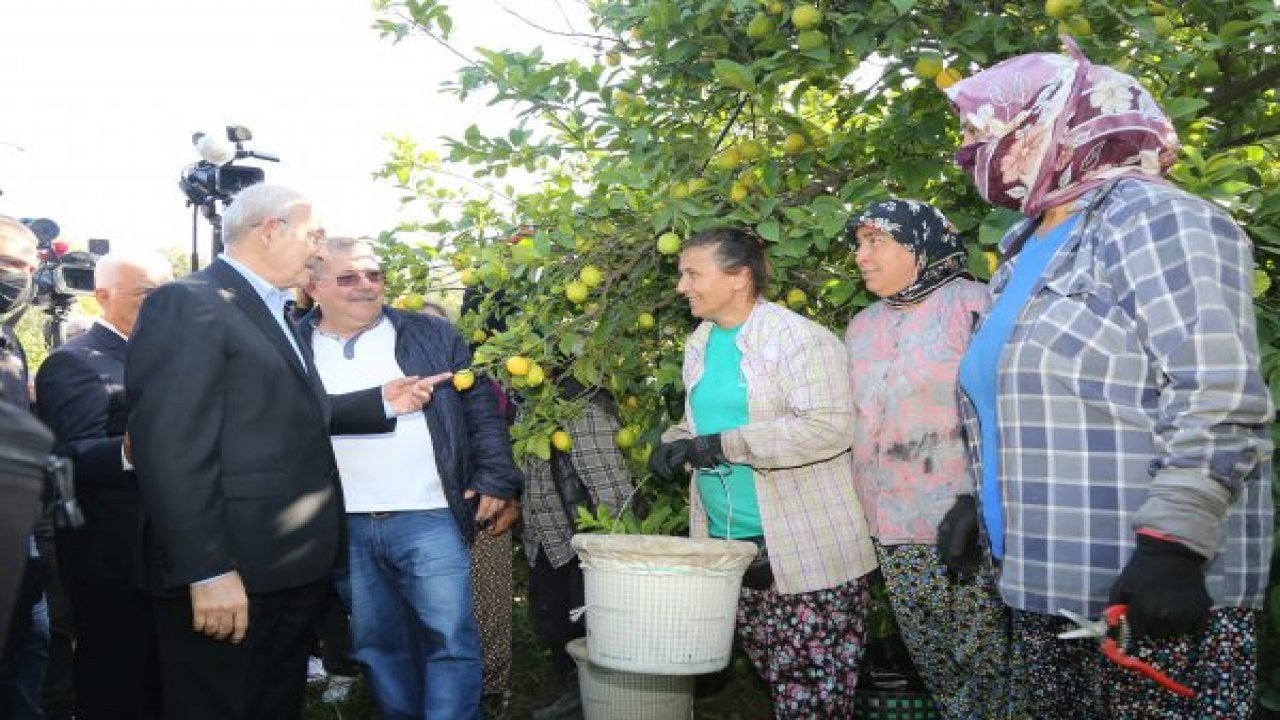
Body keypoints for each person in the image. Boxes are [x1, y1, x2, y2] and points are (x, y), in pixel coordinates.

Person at [943, 38, 1274, 717]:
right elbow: (1040, 405)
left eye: (984, 129)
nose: (971, 149)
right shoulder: (1024, 249)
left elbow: (1216, 388)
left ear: (1052, 122)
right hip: (1047, 583)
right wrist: (981, 502)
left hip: (1143, 588)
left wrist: (1173, 546)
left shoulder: (1153, 216)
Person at [125, 183, 440, 720]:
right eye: (314, 234)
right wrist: (207, 572)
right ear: (270, 229)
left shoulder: (271, 310)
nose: (320, 248)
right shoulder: (190, 302)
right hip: (232, 572)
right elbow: (170, 448)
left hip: (287, 568)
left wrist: (379, 403)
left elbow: (276, 414)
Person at [649, 226, 877, 719]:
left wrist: (722, 445)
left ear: (738, 277)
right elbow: (700, 421)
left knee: (815, 699)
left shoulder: (799, 339)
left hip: (805, 549)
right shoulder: (702, 340)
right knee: (781, 685)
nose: (681, 286)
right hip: (734, 547)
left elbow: (830, 427)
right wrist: (673, 443)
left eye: (692, 274)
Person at [301, 236, 523, 720]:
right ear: (313, 286)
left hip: (429, 514)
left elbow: (479, 407)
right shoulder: (291, 345)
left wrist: (495, 477)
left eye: (373, 274)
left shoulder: (430, 334)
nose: (365, 285)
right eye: (348, 277)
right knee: (379, 645)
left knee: (450, 638)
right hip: (342, 523)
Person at [843, 199, 1010, 719]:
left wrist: (980, 503)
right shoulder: (862, 326)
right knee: (939, 667)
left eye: (876, 242)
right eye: (858, 243)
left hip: (964, 527)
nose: (861, 255)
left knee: (993, 672)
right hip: (889, 529)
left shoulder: (977, 306)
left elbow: (1011, 410)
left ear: (919, 246)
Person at [35, 251, 172, 720]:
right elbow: (68, 453)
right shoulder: (74, 362)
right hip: (111, 555)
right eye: (145, 294)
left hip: (172, 546)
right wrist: (128, 452)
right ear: (103, 297)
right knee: (118, 678)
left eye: (166, 292)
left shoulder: (174, 353)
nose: (158, 303)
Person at [417, 299, 519, 710]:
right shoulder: (395, 387)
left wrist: (509, 498)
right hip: (421, 513)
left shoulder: (479, 385)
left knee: (488, 598)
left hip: (481, 505)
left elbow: (501, 443)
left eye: (438, 330)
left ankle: (491, 685)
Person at [522, 380, 637, 720]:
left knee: (591, 626)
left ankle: (595, 699)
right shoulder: (532, 409)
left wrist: (614, 547)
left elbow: (611, 491)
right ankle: (579, 691)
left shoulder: (581, 410)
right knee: (555, 620)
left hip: (582, 541)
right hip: (547, 539)